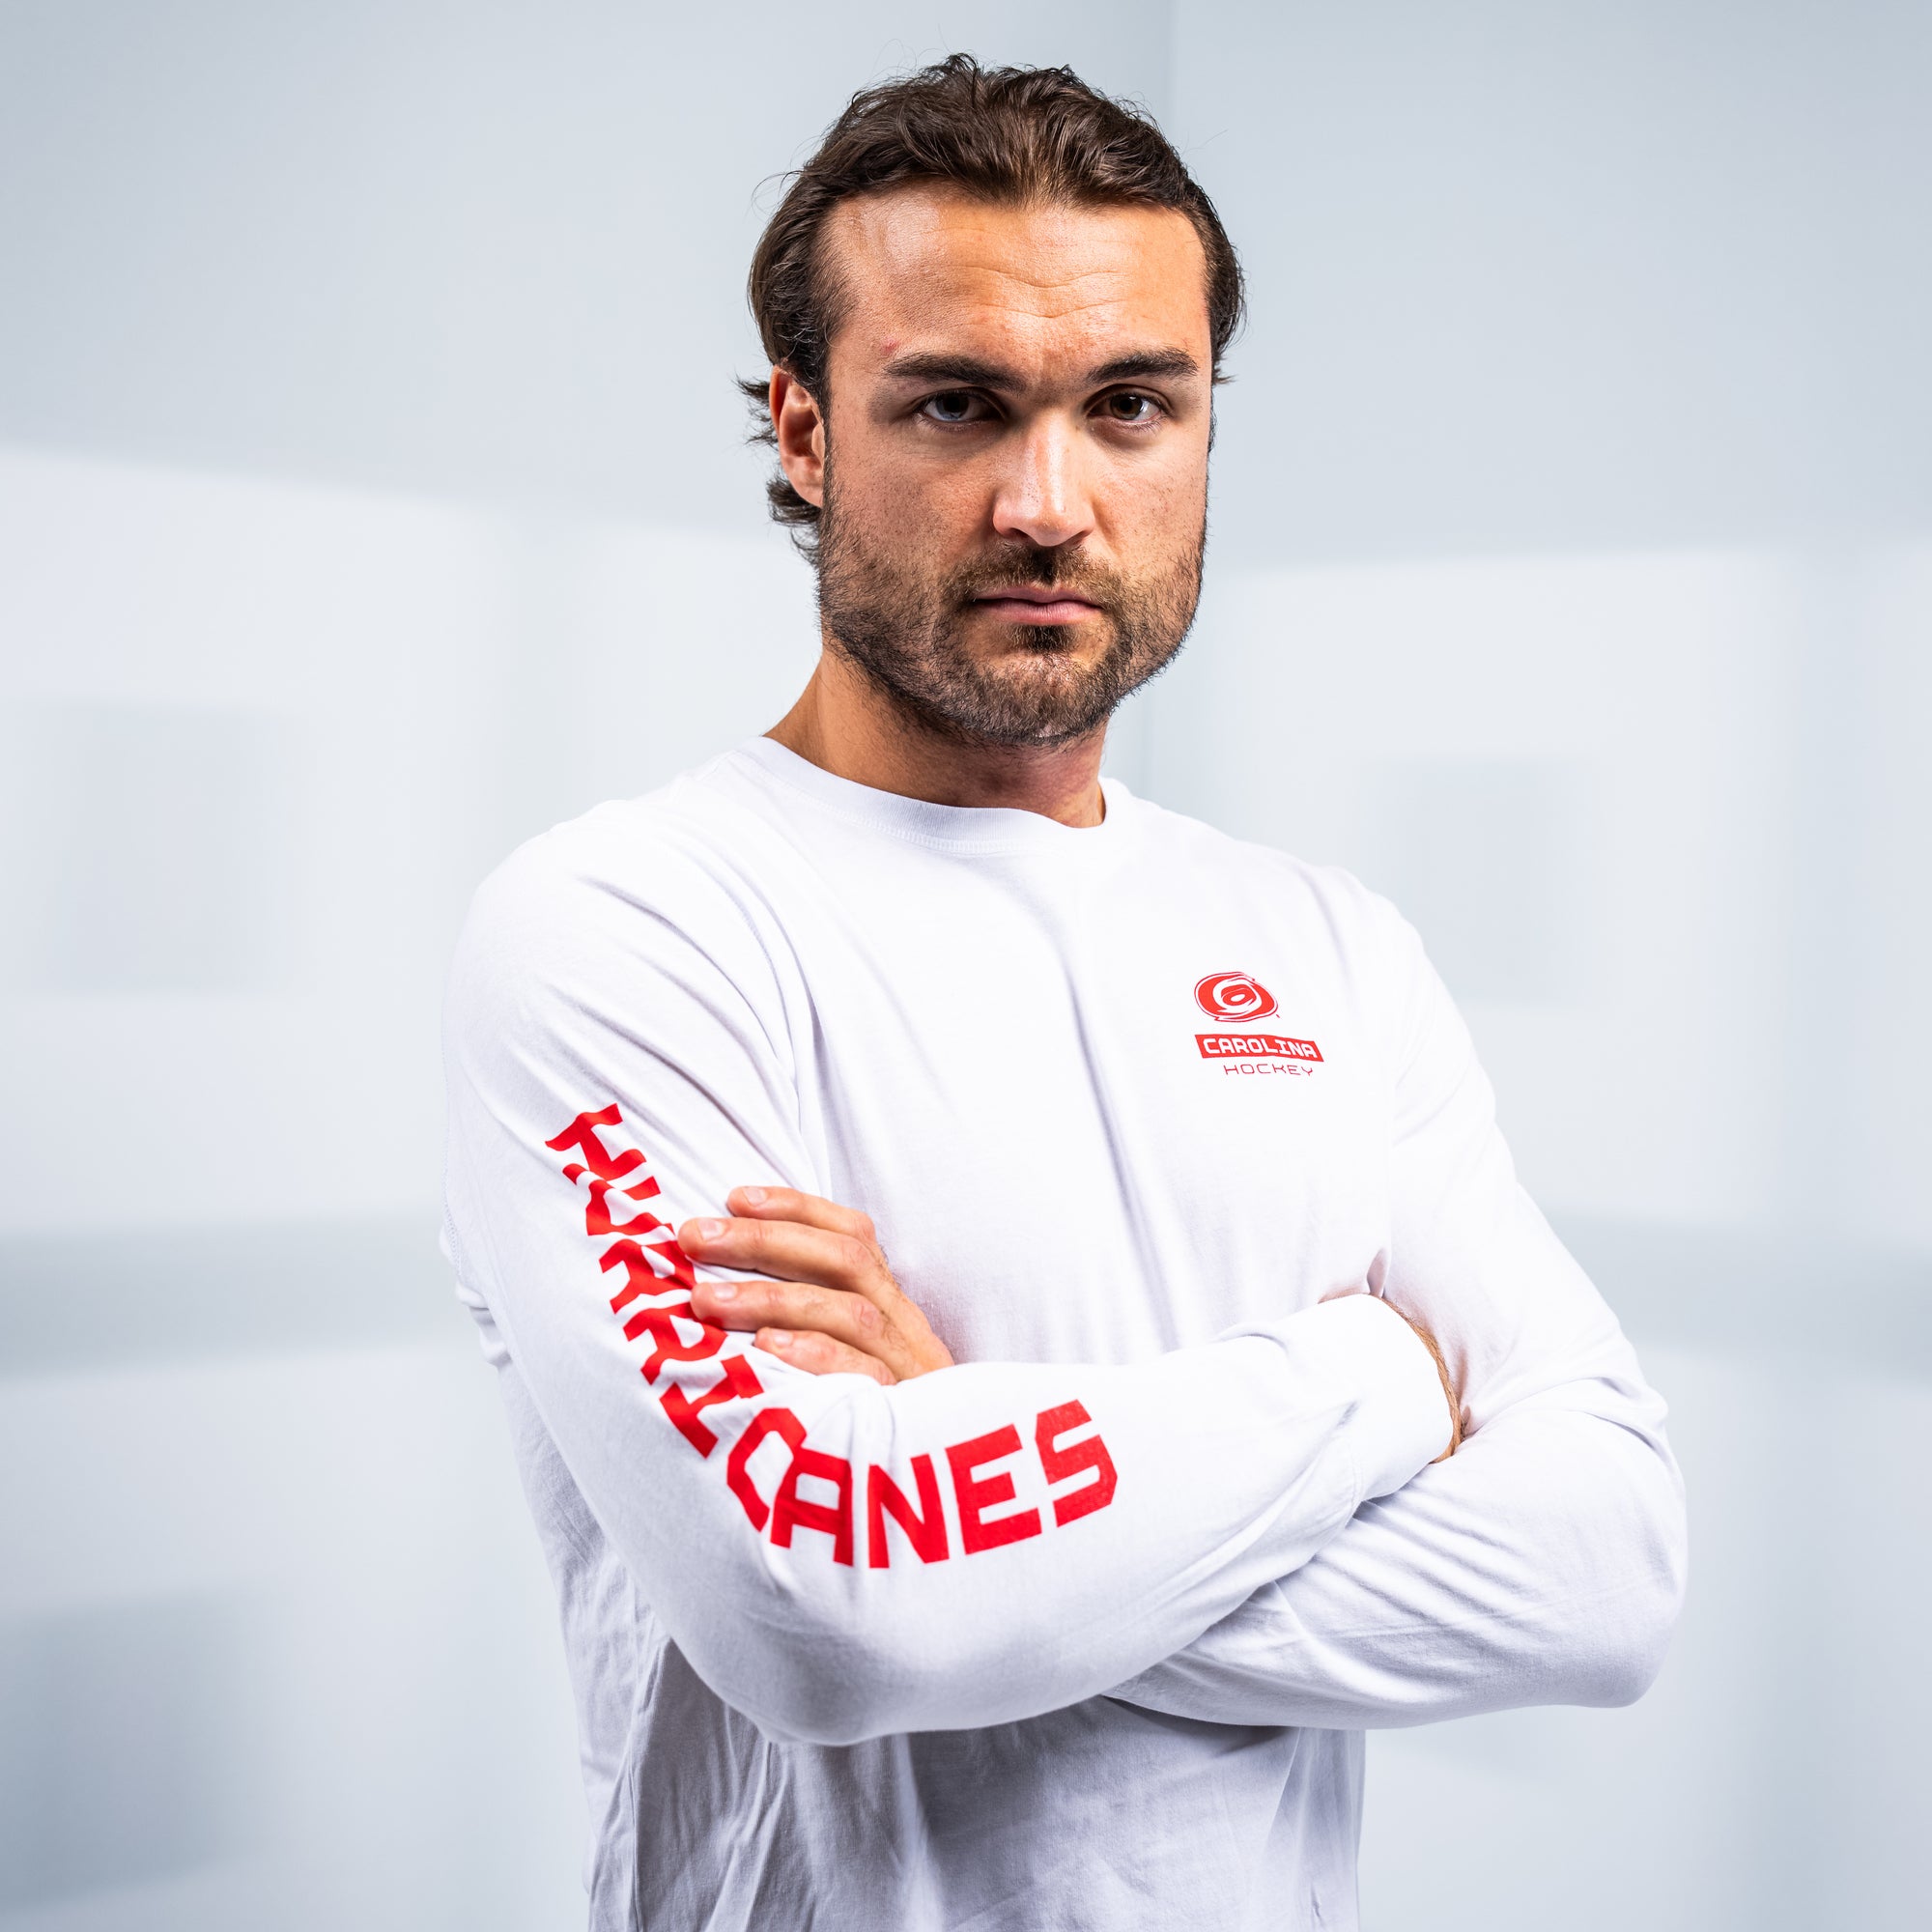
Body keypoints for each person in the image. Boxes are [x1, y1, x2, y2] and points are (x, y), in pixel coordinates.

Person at [441, 55, 1687, 1932]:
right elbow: (826, 1604)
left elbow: (1603, 1576)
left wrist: (962, 1442)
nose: (1048, 501)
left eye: (1129, 407)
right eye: (954, 406)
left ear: (1199, 429)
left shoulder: (1323, 949)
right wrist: (1368, 1382)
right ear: (803, 431)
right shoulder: (629, 925)